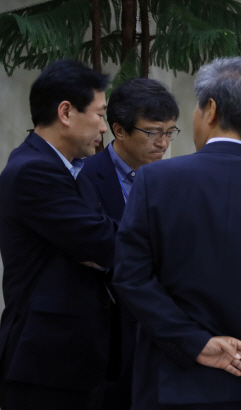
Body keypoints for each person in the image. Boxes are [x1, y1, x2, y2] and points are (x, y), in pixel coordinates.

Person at [112, 57, 241, 410]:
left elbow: (130, 279)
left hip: (172, 380)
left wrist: (195, 342)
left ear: (210, 109)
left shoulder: (156, 181)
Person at [0, 59, 119, 410]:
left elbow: (94, 239)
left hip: (71, 361)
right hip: (46, 364)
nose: (103, 128)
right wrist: (98, 247)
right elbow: (102, 241)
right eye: (99, 115)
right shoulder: (33, 170)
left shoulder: (61, 168)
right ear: (66, 112)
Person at [82, 77, 180, 410]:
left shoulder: (174, 180)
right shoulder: (85, 177)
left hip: (161, 335)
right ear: (119, 130)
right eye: (153, 132)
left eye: (169, 132)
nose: (163, 142)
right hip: (104, 335)